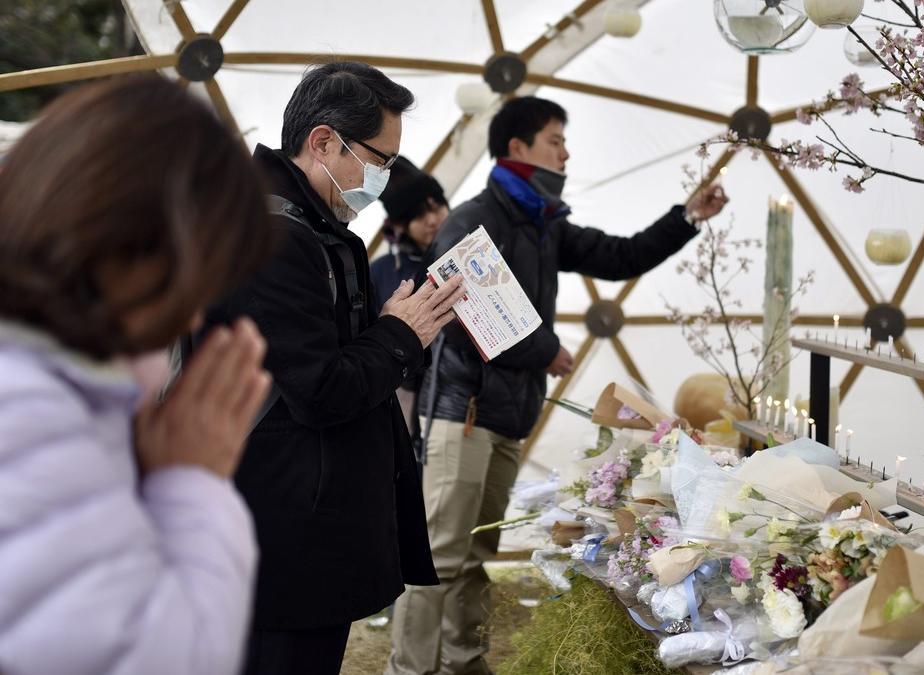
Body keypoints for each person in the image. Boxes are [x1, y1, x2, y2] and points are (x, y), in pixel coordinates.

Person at [389, 96, 729, 675]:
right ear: (517, 148)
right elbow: (473, 315)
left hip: (507, 418)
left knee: (475, 555)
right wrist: (549, 349)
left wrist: (686, 217)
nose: (566, 152)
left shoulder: (545, 224)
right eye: (555, 139)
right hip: (462, 415)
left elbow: (620, 255)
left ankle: (463, 661)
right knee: (440, 557)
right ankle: (411, 669)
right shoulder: (473, 221)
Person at [0, 74, 276, 674]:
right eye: (194, 277)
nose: (195, 312)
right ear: (131, 244)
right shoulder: (32, 412)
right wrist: (192, 481)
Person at [201, 62, 466, 675]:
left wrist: (392, 329)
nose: (385, 177)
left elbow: (324, 358)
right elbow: (319, 390)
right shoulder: (273, 236)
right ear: (323, 142)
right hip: (286, 533)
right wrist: (403, 334)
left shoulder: (314, 229)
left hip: (307, 526)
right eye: (380, 159)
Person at [370, 160, 451, 431]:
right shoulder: (382, 272)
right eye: (418, 215)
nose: (433, 219)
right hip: (404, 395)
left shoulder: (467, 257)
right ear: (401, 225)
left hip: (459, 397)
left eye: (437, 206)